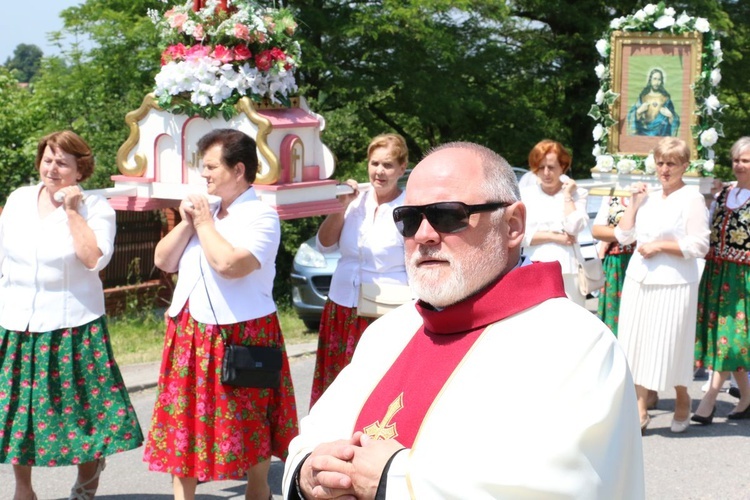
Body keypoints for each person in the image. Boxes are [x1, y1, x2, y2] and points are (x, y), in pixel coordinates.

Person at [282, 142, 644, 499]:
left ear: (513, 225)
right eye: (409, 219)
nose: (423, 235)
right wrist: (308, 473)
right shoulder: (390, 330)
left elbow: (563, 487)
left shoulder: (574, 344)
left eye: (448, 215)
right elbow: (317, 433)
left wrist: (394, 480)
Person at [143, 129, 298, 500]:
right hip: (189, 331)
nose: (205, 175)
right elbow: (163, 260)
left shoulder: (261, 215)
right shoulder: (205, 213)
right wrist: (186, 222)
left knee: (249, 427)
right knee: (184, 425)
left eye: (211, 167)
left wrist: (204, 224)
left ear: (238, 169)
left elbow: (229, 264)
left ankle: (256, 492)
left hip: (243, 333)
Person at [0, 130, 143, 500]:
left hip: (71, 326)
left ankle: (88, 475)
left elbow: (93, 259)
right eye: (48, 159)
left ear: (80, 170)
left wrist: (71, 211)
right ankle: (23, 489)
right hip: (16, 323)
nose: (52, 168)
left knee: (83, 415)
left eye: (62, 162)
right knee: (19, 413)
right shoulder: (17, 200)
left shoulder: (96, 208)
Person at [615, 137, 710, 434]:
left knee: (672, 343)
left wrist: (661, 246)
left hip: (675, 281)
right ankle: (640, 406)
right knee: (636, 342)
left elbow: (699, 244)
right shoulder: (650, 196)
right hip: (639, 279)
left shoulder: (692, 198)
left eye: (671, 163)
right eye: (660, 163)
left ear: (684, 166)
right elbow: (623, 237)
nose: (665, 169)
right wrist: (634, 203)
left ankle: (683, 396)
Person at [309, 133, 409, 408]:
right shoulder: (355, 201)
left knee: (373, 382)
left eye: (388, 165)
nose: (380, 171)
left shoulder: (408, 208)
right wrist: (339, 207)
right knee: (336, 381)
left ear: (402, 168)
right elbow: (324, 245)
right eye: (375, 163)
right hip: (342, 306)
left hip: (383, 310)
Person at [692, 136, 750, 424]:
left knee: (733, 337)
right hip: (717, 272)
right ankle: (747, 398)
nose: (739, 165)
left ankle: (710, 398)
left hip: (744, 279)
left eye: (746, 160)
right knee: (722, 337)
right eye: (737, 160)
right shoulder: (723, 194)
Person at [520, 139, 590, 306]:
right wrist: (553, 236)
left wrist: (567, 195)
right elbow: (518, 236)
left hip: (568, 269)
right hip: (534, 267)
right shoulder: (524, 195)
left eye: (551, 167)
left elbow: (573, 227)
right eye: (540, 167)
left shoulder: (577, 194)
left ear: (562, 167)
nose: (546, 173)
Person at [627, 68, 680, 137]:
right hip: (643, 133)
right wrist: (638, 112)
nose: (656, 82)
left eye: (659, 79)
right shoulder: (643, 97)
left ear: (661, 81)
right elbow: (632, 118)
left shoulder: (666, 98)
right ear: (650, 80)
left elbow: (674, 120)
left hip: (661, 134)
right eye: (654, 79)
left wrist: (670, 115)